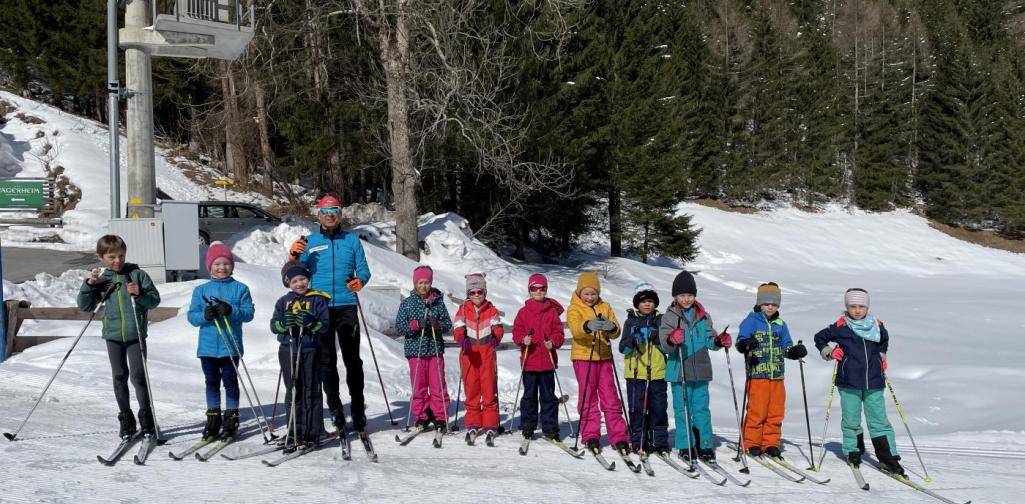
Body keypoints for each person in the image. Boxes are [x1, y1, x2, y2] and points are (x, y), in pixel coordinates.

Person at [288, 195, 371, 433]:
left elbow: (363, 269)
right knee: (326, 361)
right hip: (319, 307)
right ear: (318, 215)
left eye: (334, 210)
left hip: (346, 306)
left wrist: (360, 280)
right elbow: (295, 272)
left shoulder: (352, 240)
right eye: (325, 211)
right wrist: (293, 256)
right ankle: (335, 409)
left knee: (352, 361)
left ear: (340, 214)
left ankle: (358, 409)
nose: (330, 215)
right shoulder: (309, 241)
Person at [76, 234, 161, 439]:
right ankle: (126, 420)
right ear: (101, 257)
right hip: (113, 335)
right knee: (119, 377)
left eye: (121, 256)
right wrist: (90, 285)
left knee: (138, 377)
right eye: (112, 257)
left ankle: (147, 419)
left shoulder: (137, 275)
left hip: (135, 335)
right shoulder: (102, 280)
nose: (117, 261)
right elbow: (85, 306)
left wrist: (139, 294)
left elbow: (154, 301)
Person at [814, 288, 904, 476]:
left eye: (861, 306)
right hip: (849, 382)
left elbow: (884, 340)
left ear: (867, 307)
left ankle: (889, 456)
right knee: (851, 418)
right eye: (852, 306)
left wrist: (881, 355)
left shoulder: (877, 325)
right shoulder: (840, 326)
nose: (857, 310)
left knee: (879, 420)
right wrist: (830, 352)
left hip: (874, 381)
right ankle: (853, 451)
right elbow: (819, 338)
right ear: (847, 307)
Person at [185, 242, 255, 440]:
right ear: (210, 267)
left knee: (231, 382)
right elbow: (192, 317)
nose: (222, 267)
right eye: (217, 264)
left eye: (226, 263)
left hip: (230, 346)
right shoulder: (201, 290)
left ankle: (231, 417)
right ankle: (213, 417)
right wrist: (205, 315)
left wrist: (231, 310)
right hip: (207, 348)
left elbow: (248, 314)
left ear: (232, 266)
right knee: (212, 382)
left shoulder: (240, 289)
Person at [658, 270, 728, 463]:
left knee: (702, 409)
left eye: (690, 295)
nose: (686, 299)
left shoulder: (703, 317)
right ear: (675, 296)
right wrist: (671, 339)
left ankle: (704, 444)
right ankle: (685, 444)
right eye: (682, 295)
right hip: (679, 371)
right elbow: (664, 344)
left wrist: (719, 341)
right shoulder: (669, 317)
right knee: (683, 410)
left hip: (701, 370)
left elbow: (710, 340)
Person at [735, 282, 807, 458]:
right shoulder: (751, 321)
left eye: (774, 304)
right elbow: (740, 341)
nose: (770, 307)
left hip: (777, 376)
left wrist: (793, 351)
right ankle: (751, 442)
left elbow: (786, 346)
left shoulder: (781, 324)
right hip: (757, 374)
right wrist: (745, 344)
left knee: (776, 411)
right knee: (757, 410)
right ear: (760, 303)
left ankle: (771, 443)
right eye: (766, 303)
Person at [566, 271, 630, 456]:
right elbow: (576, 330)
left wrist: (612, 327)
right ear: (579, 293)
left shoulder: (605, 306)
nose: (590, 297)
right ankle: (590, 434)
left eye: (593, 293)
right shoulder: (574, 308)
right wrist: (587, 326)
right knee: (588, 397)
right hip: (584, 357)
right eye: (586, 293)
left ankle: (619, 435)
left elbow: (616, 331)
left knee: (610, 397)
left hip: (604, 358)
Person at [270, 260, 331, 450]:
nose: (299, 284)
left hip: (311, 350)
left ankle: (312, 431)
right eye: (294, 281)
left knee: (311, 390)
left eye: (302, 279)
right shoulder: (283, 302)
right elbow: (274, 325)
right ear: (288, 283)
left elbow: (325, 325)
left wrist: (312, 322)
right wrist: (283, 324)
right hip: (288, 350)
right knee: (294, 390)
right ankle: (294, 430)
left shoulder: (317, 300)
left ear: (308, 279)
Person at [394, 266, 453, 432]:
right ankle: (422, 415)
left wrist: (437, 324)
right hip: (415, 351)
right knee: (418, 385)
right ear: (415, 283)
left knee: (437, 385)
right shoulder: (407, 303)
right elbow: (399, 326)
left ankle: (440, 416)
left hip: (434, 350)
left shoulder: (438, 302)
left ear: (431, 283)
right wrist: (415, 325)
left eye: (426, 282)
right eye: (420, 282)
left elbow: (448, 324)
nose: (423, 286)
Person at [511, 273, 566, 442]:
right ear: (529, 290)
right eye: (534, 289)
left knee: (548, 397)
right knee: (529, 396)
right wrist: (523, 339)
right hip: (530, 362)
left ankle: (550, 428)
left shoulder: (552, 312)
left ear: (546, 290)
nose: (538, 291)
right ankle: (528, 426)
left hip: (547, 362)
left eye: (542, 288)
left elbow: (559, 333)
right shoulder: (523, 312)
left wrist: (553, 342)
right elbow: (517, 332)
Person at [452, 273, 504, 444]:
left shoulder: (491, 310)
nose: (476, 295)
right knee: (472, 389)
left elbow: (498, 327)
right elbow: (458, 328)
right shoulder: (463, 310)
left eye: (479, 292)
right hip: (470, 355)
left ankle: (490, 423)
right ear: (468, 294)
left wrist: (496, 337)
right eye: (472, 292)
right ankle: (473, 422)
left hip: (487, 353)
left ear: (484, 292)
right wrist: (461, 338)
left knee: (488, 390)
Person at [619, 282, 669, 456]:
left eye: (650, 301)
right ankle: (638, 440)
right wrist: (632, 340)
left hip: (657, 373)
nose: (647, 304)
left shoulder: (662, 320)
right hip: (636, 374)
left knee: (658, 408)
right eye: (643, 301)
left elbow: (667, 348)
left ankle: (659, 442)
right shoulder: (630, 321)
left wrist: (657, 338)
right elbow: (622, 348)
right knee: (637, 408)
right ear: (637, 303)